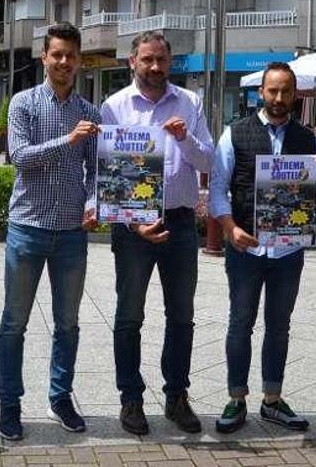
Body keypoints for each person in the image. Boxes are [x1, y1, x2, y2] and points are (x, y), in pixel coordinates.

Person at [209, 62, 316, 433]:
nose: (279, 98)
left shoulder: (311, 140)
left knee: (279, 326)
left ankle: (272, 400)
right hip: (246, 248)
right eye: (273, 91)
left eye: (286, 91)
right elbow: (219, 188)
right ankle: (236, 399)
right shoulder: (234, 134)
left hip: (287, 252)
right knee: (240, 324)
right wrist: (230, 229)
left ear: (294, 94)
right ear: (261, 93)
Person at [101, 31, 214, 435]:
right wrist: (132, 221)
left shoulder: (190, 102)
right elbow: (109, 176)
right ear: (132, 62)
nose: (154, 67)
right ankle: (130, 399)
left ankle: (176, 397)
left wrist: (184, 138)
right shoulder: (113, 107)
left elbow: (209, 160)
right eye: (146, 60)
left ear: (170, 62)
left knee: (181, 317)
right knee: (129, 316)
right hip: (132, 227)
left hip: (180, 223)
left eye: (161, 60)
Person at [0, 22, 99, 441]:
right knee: (14, 323)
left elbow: (96, 172)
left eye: (70, 56)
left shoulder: (91, 113)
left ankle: (60, 397)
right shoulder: (23, 103)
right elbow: (19, 157)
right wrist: (67, 140)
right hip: (28, 228)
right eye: (56, 54)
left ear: (78, 60)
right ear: (44, 57)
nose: (63, 62)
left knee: (68, 324)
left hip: (72, 234)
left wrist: (94, 204)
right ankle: (10, 404)